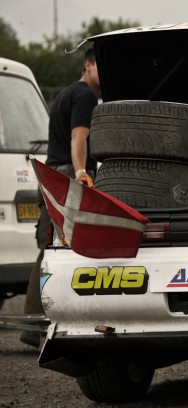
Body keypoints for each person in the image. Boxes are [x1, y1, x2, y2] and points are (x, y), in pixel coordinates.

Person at [20, 46, 100, 348]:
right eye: (100, 66)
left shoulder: (67, 93)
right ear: (87, 65)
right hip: (65, 176)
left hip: (54, 174)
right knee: (56, 251)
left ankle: (36, 325)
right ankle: (40, 325)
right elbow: (79, 136)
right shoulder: (84, 96)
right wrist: (81, 171)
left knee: (50, 249)